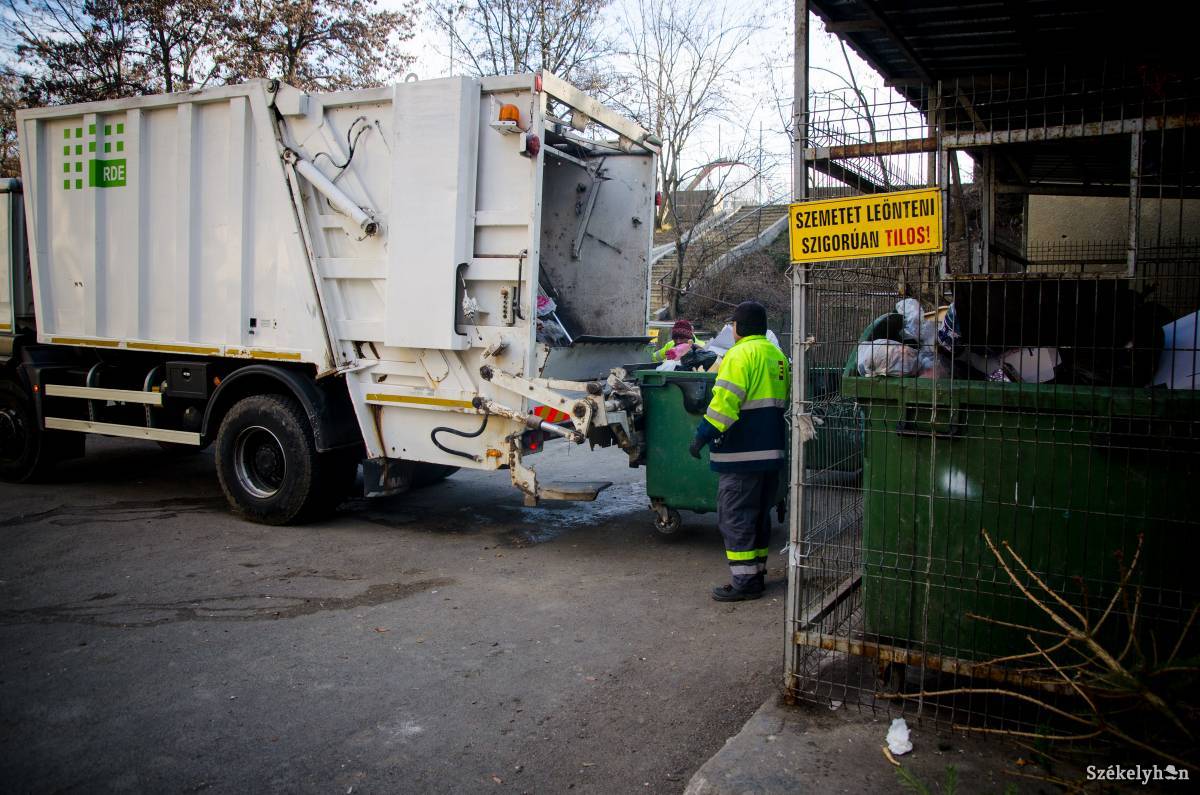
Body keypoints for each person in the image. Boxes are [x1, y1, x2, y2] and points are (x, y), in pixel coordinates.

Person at [688, 301, 790, 602]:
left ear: (739, 327)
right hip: (771, 454)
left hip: (742, 454)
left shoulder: (739, 354)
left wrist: (701, 436)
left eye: (733, 324)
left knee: (735, 516)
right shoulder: (777, 355)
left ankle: (745, 582)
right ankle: (755, 573)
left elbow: (724, 405)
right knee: (758, 515)